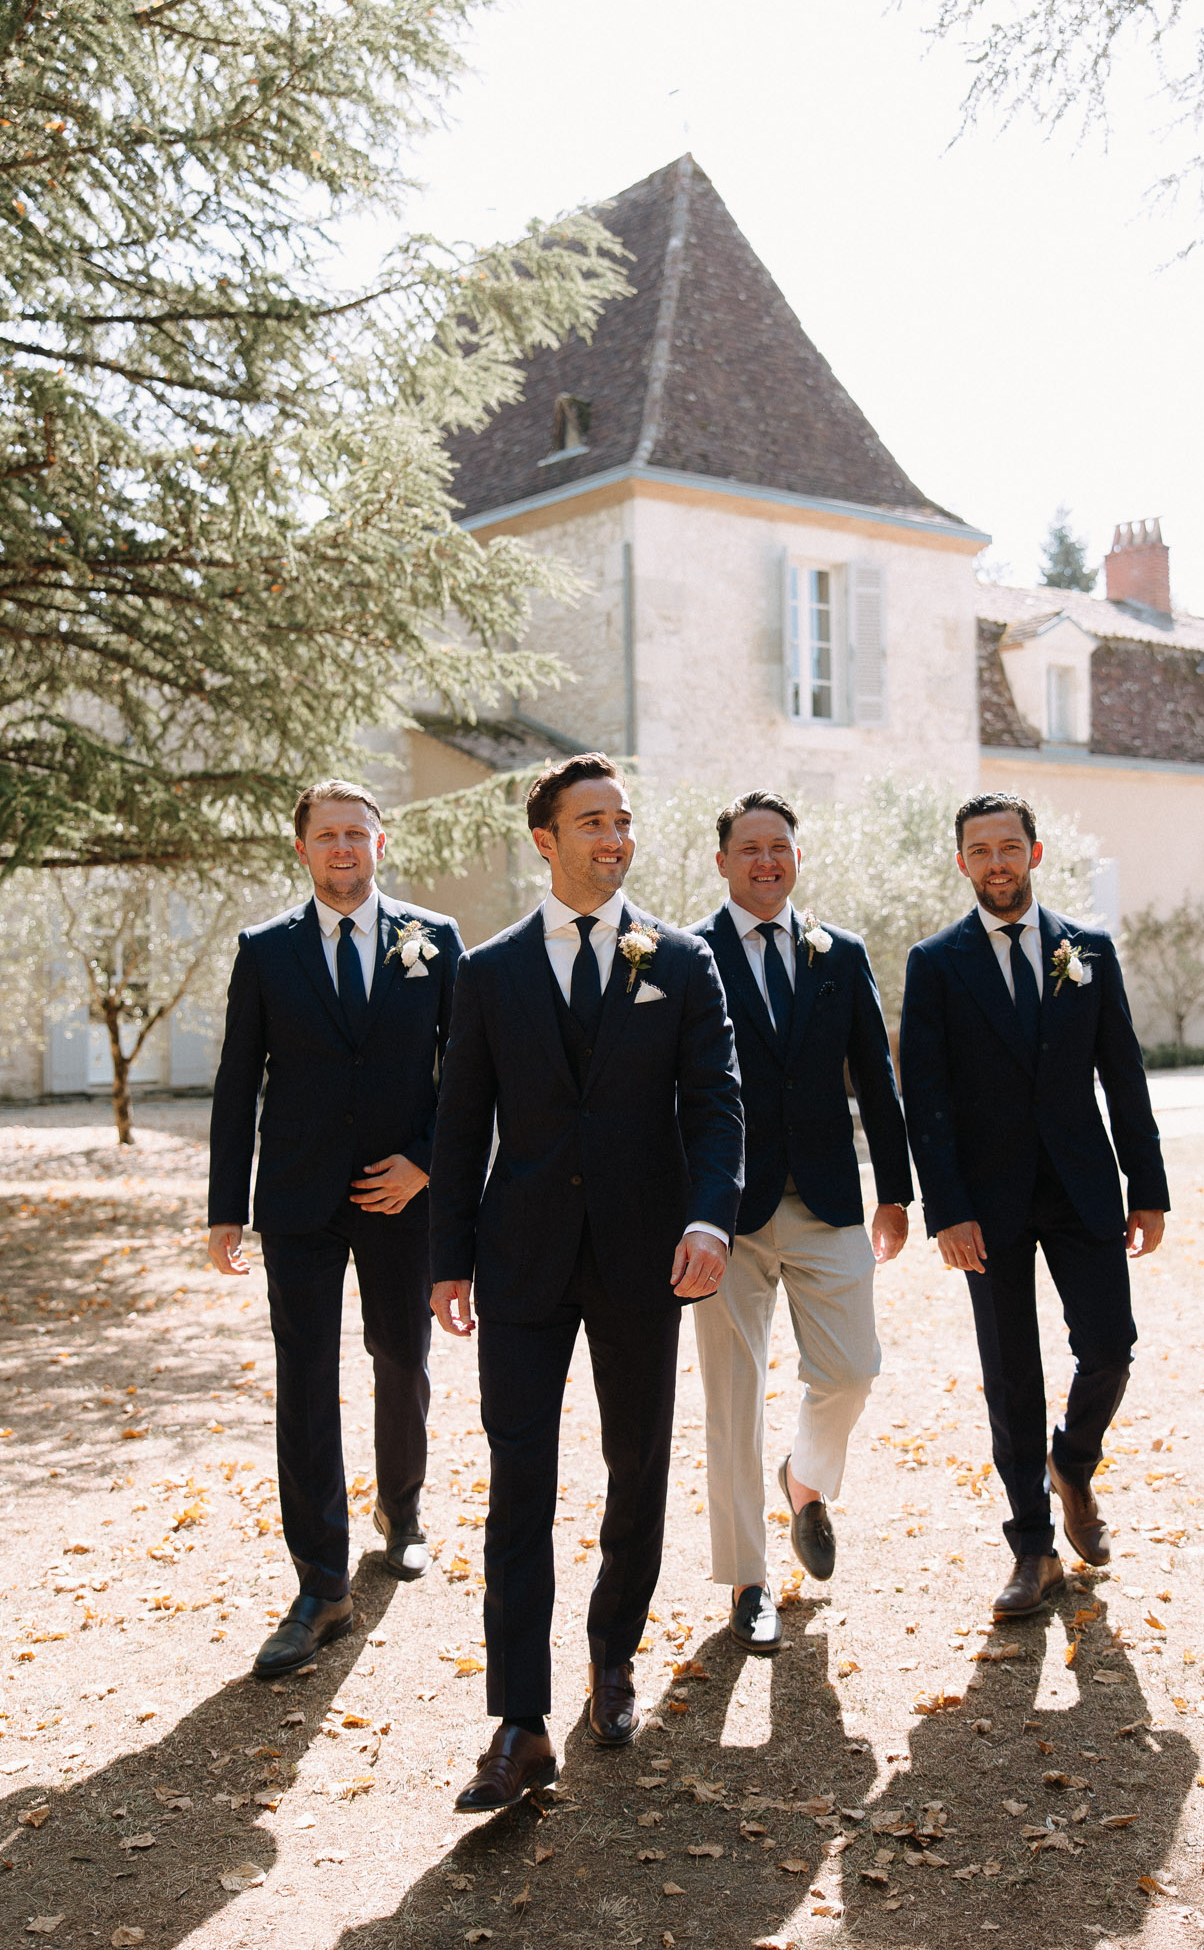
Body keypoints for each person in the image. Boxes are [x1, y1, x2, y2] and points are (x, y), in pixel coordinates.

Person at [427, 753, 744, 1812]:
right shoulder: (489, 971)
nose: (614, 838)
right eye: (592, 821)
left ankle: (614, 1655)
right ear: (545, 840)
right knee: (519, 1481)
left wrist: (709, 1214)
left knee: (635, 1462)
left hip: (642, 1256)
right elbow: (461, 1124)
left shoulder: (687, 959)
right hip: (518, 1261)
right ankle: (518, 1721)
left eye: (623, 820)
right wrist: (447, 1259)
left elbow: (715, 1103)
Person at [207, 780, 462, 1677]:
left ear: (381, 845)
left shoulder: (435, 940)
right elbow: (239, 1081)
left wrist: (427, 1162)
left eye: (358, 833)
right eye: (328, 836)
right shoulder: (264, 951)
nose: (344, 848)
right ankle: (321, 1583)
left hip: (402, 1200)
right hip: (298, 1202)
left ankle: (405, 1508)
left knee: (401, 1357)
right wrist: (225, 1209)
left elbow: (469, 1076)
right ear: (304, 849)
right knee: (305, 1380)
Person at [899, 792, 1168, 1617]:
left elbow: (1121, 1073)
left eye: (1007, 847)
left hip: (1082, 1188)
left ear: (1035, 854)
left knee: (1110, 1349)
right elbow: (926, 1096)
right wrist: (946, 1210)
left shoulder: (1087, 950)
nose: (995, 863)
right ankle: (1031, 1552)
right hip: (985, 1204)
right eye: (979, 851)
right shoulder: (935, 962)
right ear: (962, 864)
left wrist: (1146, 1187)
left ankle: (1073, 1464)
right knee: (1010, 1378)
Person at [690, 790, 913, 1654]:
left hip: (826, 1200)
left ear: (794, 856)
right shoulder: (687, 956)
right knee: (731, 1401)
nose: (765, 860)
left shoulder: (838, 953)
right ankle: (747, 1580)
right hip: (726, 1216)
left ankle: (805, 1480)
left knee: (852, 1369)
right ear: (722, 862)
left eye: (778, 846)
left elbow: (875, 1076)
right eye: (748, 848)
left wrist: (893, 1190)